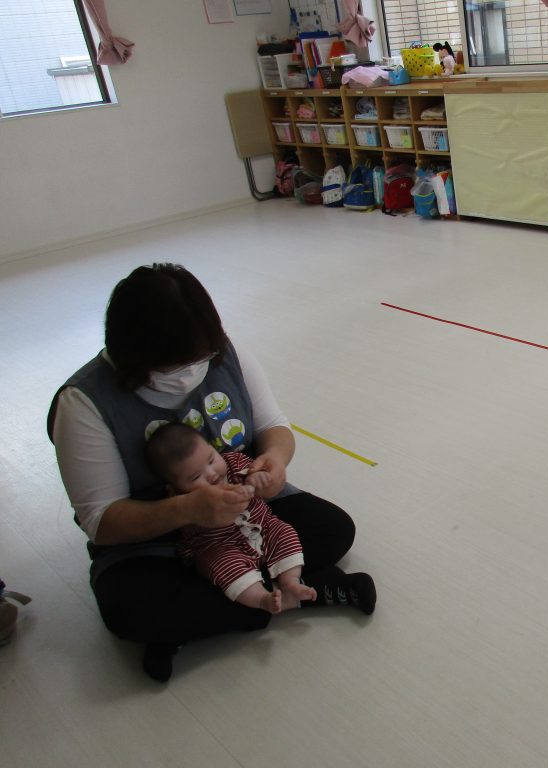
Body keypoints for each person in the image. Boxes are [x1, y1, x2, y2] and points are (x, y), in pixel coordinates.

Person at [47, 264, 376, 682]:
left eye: (199, 360)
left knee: (335, 530)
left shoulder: (224, 352)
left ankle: (200, 620)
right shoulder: (84, 404)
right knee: (130, 610)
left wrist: (274, 461)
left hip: (246, 513)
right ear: (134, 358)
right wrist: (187, 509)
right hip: (153, 537)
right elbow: (102, 521)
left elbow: (273, 427)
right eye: (174, 367)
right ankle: (297, 590)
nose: (190, 374)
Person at [145, 422, 316, 614]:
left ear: (213, 448)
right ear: (174, 488)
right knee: (222, 566)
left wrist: (258, 479)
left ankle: (290, 582)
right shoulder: (182, 499)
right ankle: (262, 599)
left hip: (263, 527)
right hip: (221, 547)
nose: (211, 474)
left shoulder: (234, 463)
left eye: (211, 460)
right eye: (195, 477)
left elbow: (259, 475)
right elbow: (182, 518)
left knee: (284, 532)